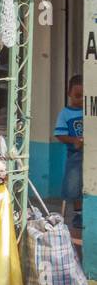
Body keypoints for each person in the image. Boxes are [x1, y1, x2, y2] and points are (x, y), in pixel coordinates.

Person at [56, 73, 84, 228]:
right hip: (75, 153)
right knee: (74, 183)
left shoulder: (89, 110)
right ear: (69, 94)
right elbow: (59, 134)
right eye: (77, 96)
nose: (80, 100)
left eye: (83, 96)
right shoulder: (65, 113)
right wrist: (74, 140)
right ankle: (78, 214)